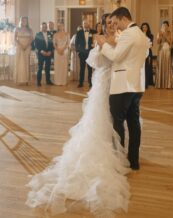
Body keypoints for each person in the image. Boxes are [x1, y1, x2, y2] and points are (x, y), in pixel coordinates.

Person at [26, 13, 130, 217]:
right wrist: (100, 48)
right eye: (107, 23)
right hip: (102, 82)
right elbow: (95, 61)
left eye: (113, 23)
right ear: (103, 25)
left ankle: (117, 148)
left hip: (117, 82)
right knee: (101, 118)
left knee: (115, 118)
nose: (110, 25)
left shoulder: (121, 38)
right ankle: (105, 152)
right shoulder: (99, 38)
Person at [97, 7, 147, 170]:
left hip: (122, 85)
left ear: (123, 18)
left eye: (117, 22)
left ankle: (118, 161)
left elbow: (115, 56)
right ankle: (133, 161)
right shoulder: (141, 34)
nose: (116, 26)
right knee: (134, 123)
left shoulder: (128, 34)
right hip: (136, 85)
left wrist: (103, 44)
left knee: (117, 123)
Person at [75, 19, 95, 88]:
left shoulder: (93, 32)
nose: (85, 24)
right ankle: (80, 83)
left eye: (86, 23)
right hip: (82, 53)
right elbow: (76, 43)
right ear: (82, 24)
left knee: (90, 69)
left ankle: (90, 83)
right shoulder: (79, 32)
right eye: (84, 23)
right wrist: (78, 52)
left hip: (90, 53)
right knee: (82, 68)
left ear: (88, 24)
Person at [14, 16, 33, 84]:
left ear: (27, 22)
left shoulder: (30, 30)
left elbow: (31, 39)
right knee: (20, 63)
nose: (24, 21)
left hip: (27, 48)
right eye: (23, 20)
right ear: (21, 21)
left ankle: (26, 80)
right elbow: (15, 39)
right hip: (19, 47)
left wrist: (26, 45)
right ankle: (19, 80)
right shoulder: (17, 29)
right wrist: (21, 45)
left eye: (25, 20)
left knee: (26, 63)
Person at [155, 21, 173, 89]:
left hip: (167, 50)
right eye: (163, 25)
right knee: (160, 65)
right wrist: (160, 35)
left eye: (166, 25)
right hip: (161, 50)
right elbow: (157, 42)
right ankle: (160, 83)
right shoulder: (159, 32)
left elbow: (170, 42)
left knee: (167, 65)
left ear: (168, 26)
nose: (164, 26)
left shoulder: (170, 33)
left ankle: (168, 84)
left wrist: (165, 35)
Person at [34, 22, 54, 86]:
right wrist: (42, 51)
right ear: (41, 27)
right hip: (41, 53)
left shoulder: (50, 34)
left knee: (48, 68)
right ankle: (38, 82)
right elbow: (36, 45)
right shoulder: (38, 34)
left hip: (48, 53)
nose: (44, 28)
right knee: (40, 68)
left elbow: (52, 44)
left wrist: (50, 51)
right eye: (43, 27)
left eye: (45, 27)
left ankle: (48, 81)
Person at [141, 22, 154, 87]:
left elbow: (151, 45)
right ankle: (142, 82)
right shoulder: (139, 35)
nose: (144, 28)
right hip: (141, 52)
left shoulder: (150, 35)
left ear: (148, 28)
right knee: (142, 67)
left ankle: (148, 82)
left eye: (145, 27)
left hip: (148, 52)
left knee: (148, 67)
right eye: (143, 27)